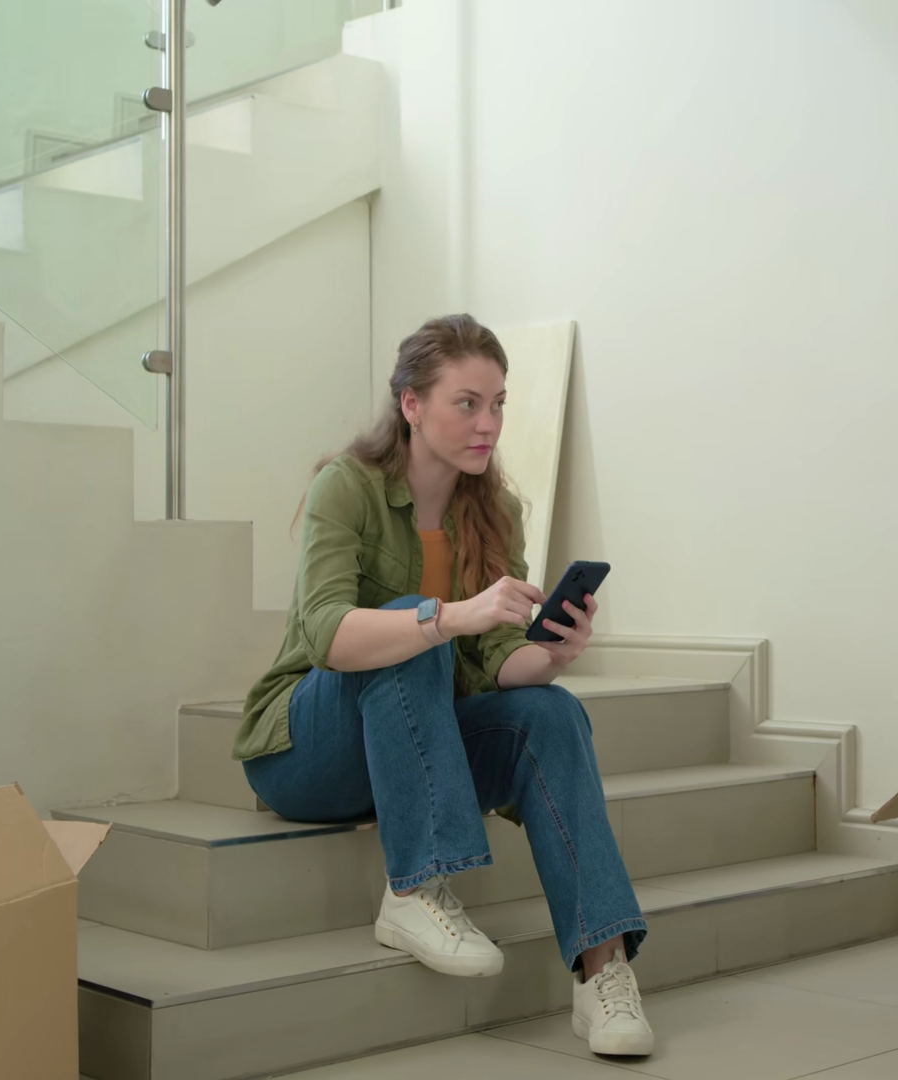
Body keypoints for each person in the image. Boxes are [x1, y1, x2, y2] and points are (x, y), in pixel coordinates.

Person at [234, 314, 654, 1057]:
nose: (488, 423)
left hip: (416, 744)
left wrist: (552, 655)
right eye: (467, 403)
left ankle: (603, 971)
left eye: (498, 404)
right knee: (411, 621)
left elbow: (497, 658)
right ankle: (416, 889)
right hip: (309, 752)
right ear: (412, 405)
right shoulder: (347, 487)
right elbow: (326, 632)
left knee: (551, 713)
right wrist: (449, 615)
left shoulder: (496, 510)